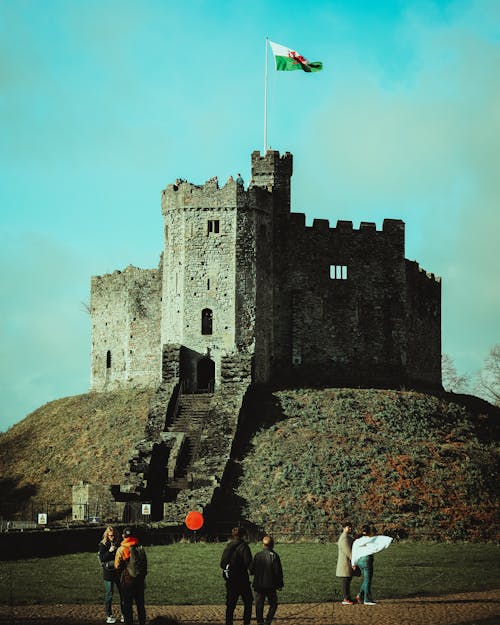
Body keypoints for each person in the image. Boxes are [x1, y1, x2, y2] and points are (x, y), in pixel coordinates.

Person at [115, 527, 148, 625]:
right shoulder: (140, 547)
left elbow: (117, 565)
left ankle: (128, 622)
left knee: (127, 604)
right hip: (140, 580)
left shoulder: (122, 548)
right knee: (140, 604)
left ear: (123, 536)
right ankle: (142, 622)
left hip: (128, 579)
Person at [220, 527, 253, 625]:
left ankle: (229, 622)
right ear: (243, 535)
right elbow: (248, 563)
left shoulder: (228, 547)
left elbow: (222, 564)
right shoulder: (244, 547)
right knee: (248, 602)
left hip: (231, 579)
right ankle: (246, 622)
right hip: (242, 579)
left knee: (230, 604)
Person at [249, 535, 283, 625]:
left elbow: (251, 570)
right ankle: (268, 621)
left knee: (259, 605)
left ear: (263, 545)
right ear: (272, 545)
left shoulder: (257, 555)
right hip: (270, 585)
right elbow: (278, 572)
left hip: (258, 585)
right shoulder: (274, 556)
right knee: (273, 604)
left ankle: (259, 622)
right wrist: (280, 584)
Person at [98, 525, 122, 624]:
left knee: (123, 594)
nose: (112, 537)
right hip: (108, 572)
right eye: (110, 535)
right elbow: (102, 558)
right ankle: (109, 615)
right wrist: (109, 551)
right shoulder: (103, 544)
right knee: (109, 594)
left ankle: (124, 614)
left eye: (113, 535)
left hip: (118, 572)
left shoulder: (119, 543)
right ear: (107, 535)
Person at [352, 524, 376, 605]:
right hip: (367, 560)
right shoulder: (370, 540)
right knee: (368, 580)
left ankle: (360, 595)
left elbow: (353, 552)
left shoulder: (357, 541)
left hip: (359, 561)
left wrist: (353, 563)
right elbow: (374, 549)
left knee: (366, 579)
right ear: (369, 531)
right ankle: (367, 599)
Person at [335, 520, 355, 605]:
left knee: (348, 580)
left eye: (350, 527)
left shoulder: (347, 537)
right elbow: (348, 552)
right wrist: (354, 561)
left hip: (347, 562)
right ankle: (346, 598)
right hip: (345, 562)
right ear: (344, 528)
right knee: (346, 580)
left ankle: (348, 597)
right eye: (348, 527)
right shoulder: (344, 538)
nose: (350, 528)